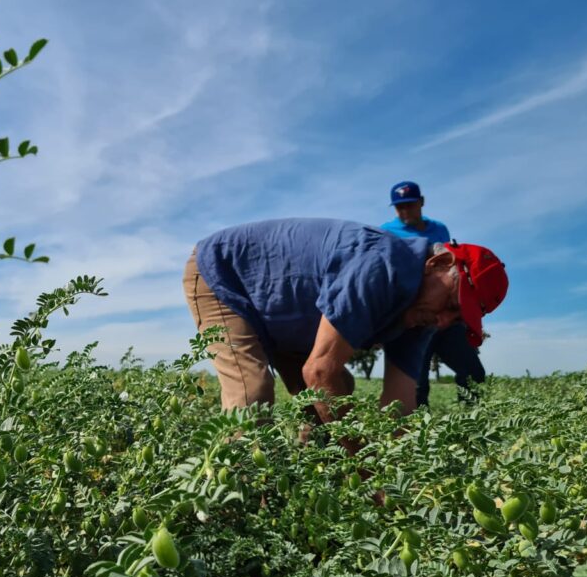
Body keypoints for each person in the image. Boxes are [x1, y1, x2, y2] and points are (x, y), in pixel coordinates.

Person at [182, 218, 508, 430]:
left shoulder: (426, 317)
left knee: (336, 396)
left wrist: (402, 472)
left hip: (285, 318)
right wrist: (365, 468)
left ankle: (311, 485)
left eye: (457, 319)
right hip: (227, 277)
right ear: (438, 263)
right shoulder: (382, 267)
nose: (442, 321)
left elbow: (400, 403)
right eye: (452, 304)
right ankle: (232, 513)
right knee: (251, 395)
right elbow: (319, 371)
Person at [380, 181, 487, 407]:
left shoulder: (440, 229)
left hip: (446, 316)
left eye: (410, 205)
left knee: (473, 372)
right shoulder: (386, 232)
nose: (405, 211)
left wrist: (464, 315)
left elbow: (453, 270)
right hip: (415, 317)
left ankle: (472, 426)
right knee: (416, 384)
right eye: (400, 207)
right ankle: (418, 437)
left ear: (421, 202)